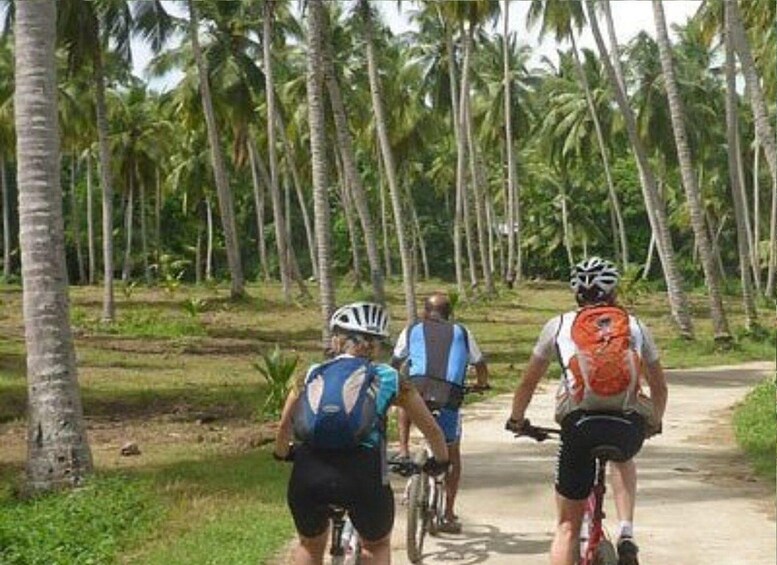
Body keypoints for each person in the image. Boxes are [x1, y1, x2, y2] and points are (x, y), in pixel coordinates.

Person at [505, 257, 667, 565]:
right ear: (614, 291)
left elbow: (527, 383)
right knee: (623, 455)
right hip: (626, 430)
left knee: (567, 525)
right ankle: (627, 532)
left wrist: (517, 420)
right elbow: (659, 387)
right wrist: (653, 422)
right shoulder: (635, 325)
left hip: (579, 427)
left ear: (577, 293)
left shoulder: (559, 325)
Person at [274, 302, 449, 565]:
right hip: (363, 477)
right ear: (375, 345)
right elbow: (432, 430)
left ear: (336, 340)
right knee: (375, 546)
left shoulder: (310, 374)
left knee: (309, 546)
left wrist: (282, 453)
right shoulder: (389, 377)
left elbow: (284, 426)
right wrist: (441, 461)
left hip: (309, 474)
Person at [391, 291, 490, 534]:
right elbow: (479, 363)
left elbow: (395, 361)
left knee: (405, 395)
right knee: (452, 455)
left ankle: (403, 449)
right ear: (450, 314)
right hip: (449, 394)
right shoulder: (462, 332)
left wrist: (391, 380)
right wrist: (481, 383)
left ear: (425, 312)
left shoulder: (412, 330)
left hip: (418, 390)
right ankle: (447, 513)